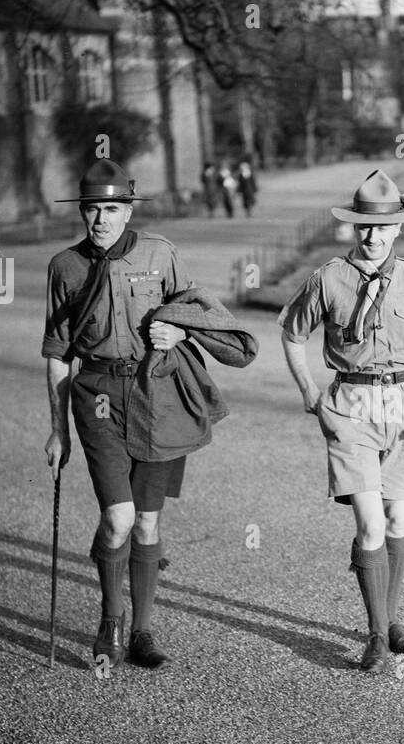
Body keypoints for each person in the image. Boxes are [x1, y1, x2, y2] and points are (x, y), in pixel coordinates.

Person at [42, 159, 257, 671]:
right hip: (95, 393)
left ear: (127, 209)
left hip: (156, 392)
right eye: (93, 209)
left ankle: (142, 630)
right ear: (83, 211)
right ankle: (110, 621)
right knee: (118, 517)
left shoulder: (161, 253)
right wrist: (56, 430)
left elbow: (198, 313)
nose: (101, 220)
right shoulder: (65, 267)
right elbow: (56, 352)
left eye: (112, 209)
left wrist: (180, 334)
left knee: (147, 522)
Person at [278, 168, 404, 672]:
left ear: (398, 228)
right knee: (370, 523)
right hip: (351, 407)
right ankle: (377, 635)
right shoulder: (328, 278)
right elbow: (292, 333)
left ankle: (390, 617)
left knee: (398, 518)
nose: (372, 236)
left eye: (382, 227)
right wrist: (309, 390)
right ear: (354, 228)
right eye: (363, 227)